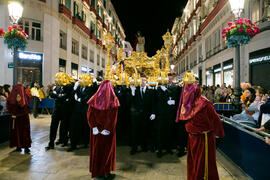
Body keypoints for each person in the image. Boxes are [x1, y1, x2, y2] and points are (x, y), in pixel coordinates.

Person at [175, 72, 224, 180]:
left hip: (199, 138)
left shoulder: (188, 104)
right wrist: (219, 134)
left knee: (198, 162)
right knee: (200, 163)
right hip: (202, 138)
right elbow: (216, 120)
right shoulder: (204, 103)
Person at [87, 80, 120, 179]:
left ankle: (98, 172)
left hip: (96, 131)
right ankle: (106, 172)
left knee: (97, 151)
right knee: (107, 152)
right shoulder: (113, 100)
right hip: (107, 132)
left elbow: (89, 115)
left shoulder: (94, 99)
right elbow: (113, 118)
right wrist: (108, 129)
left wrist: (94, 127)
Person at [129, 74, 155, 155]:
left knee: (145, 131)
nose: (142, 82)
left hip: (146, 115)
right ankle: (134, 148)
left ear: (146, 81)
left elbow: (153, 103)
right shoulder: (135, 90)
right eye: (141, 80)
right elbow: (130, 102)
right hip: (136, 115)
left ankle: (144, 147)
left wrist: (153, 112)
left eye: (144, 80)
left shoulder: (150, 91)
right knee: (135, 132)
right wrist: (132, 94)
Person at [6, 84, 31, 153]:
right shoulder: (25, 94)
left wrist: (13, 112)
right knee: (25, 132)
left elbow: (9, 105)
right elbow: (27, 104)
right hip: (24, 117)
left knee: (17, 132)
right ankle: (26, 147)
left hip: (16, 118)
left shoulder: (12, 95)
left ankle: (18, 146)